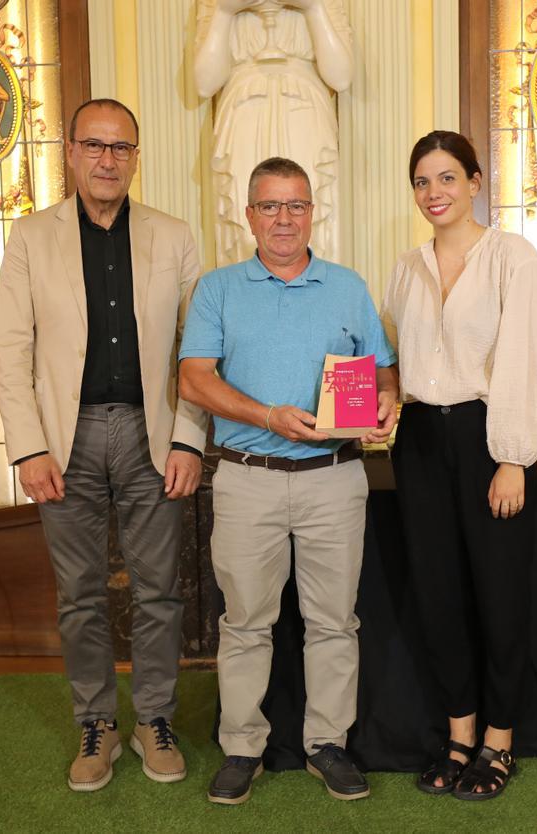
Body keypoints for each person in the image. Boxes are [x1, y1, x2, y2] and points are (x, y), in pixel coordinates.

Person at [0, 98, 208, 792]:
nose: (108, 160)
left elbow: (197, 351)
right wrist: (28, 447)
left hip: (154, 433)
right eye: (95, 146)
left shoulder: (174, 238)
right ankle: (96, 722)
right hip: (65, 437)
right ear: (72, 153)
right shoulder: (30, 237)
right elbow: (10, 350)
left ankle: (153, 719)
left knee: (159, 593)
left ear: (135, 158)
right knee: (79, 595)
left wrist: (189, 439)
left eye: (121, 148)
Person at [178, 156, 397, 804]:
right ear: (248, 215)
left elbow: (381, 372)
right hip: (249, 479)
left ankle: (328, 744)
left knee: (334, 622)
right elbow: (194, 378)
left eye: (295, 205)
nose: (283, 218)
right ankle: (242, 747)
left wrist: (387, 401)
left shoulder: (348, 286)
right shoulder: (218, 289)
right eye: (270, 206)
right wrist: (267, 414)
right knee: (246, 623)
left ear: (312, 212)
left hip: (335, 478)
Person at [381, 131, 537, 801]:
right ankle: (458, 734)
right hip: (420, 440)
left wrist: (511, 458)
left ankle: (499, 742)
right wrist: (378, 404)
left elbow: (523, 360)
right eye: (422, 182)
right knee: (438, 594)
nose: (434, 193)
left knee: (500, 598)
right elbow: (402, 363)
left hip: (489, 439)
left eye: (447, 178)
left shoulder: (513, 258)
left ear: (476, 182)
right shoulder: (407, 265)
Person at [193, 0, 352, 266]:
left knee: (306, 220)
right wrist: (225, 11)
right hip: (244, 114)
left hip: (303, 114)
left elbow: (341, 77)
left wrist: (312, 7)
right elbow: (204, 83)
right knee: (246, 225)